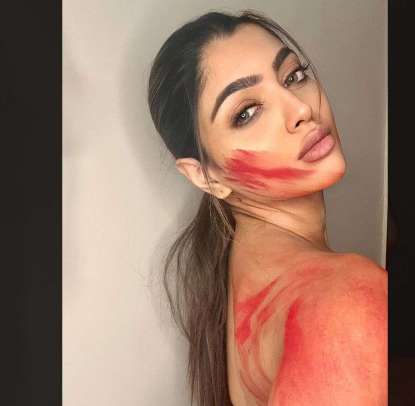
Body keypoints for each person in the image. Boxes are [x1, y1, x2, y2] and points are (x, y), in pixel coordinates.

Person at [147, 9, 387, 406]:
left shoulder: (243, 270)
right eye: (246, 112)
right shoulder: (344, 301)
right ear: (205, 176)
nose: (301, 110)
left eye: (294, 76)